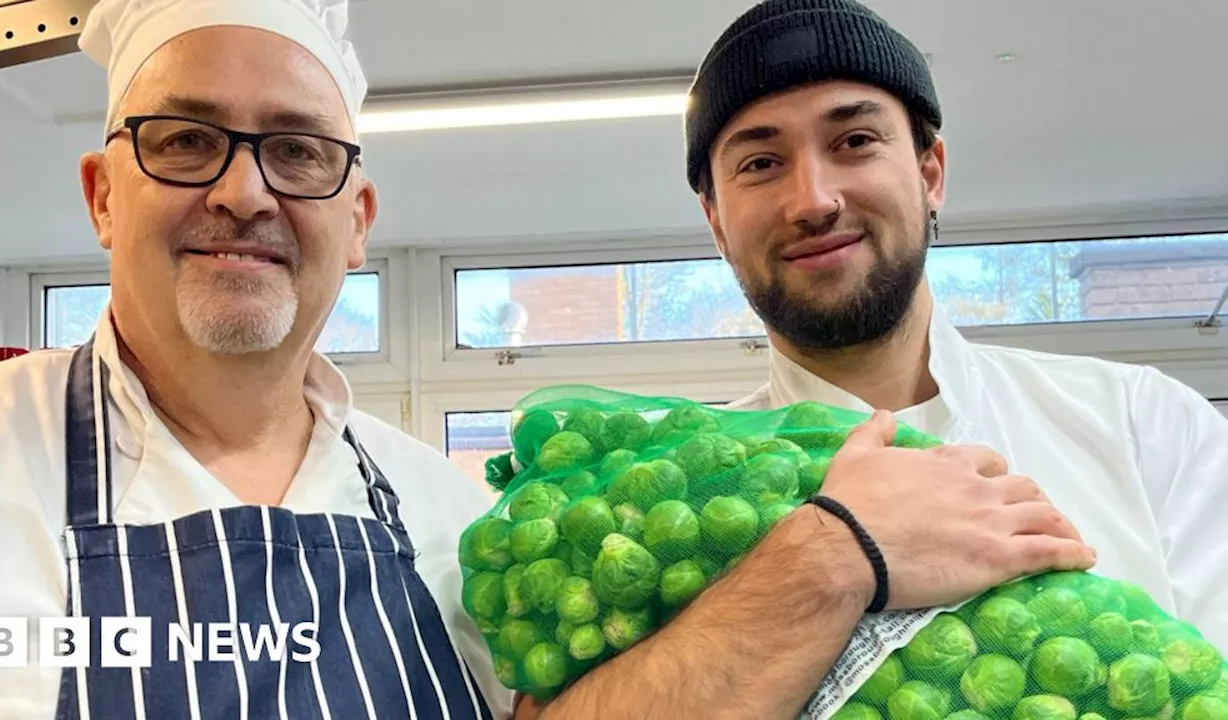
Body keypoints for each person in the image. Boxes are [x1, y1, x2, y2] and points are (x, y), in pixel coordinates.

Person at [516, 0, 1228, 717]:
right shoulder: (642, 506)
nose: (814, 199)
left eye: (855, 141)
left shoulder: (1144, 426)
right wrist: (831, 555)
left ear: (930, 173)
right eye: (761, 162)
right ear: (717, 223)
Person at [0, 0, 513, 717]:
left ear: (357, 222)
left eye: (298, 150)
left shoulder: (459, 526)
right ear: (103, 197)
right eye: (186, 140)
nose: (244, 195)